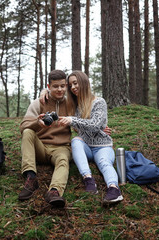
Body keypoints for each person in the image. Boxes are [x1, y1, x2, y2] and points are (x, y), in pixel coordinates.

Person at [57, 70, 123, 204]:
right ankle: (89, 180)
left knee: (105, 163)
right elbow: (56, 96)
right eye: (70, 85)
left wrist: (73, 120)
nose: (73, 87)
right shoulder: (74, 105)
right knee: (76, 140)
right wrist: (43, 94)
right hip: (85, 146)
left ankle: (114, 189)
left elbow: (94, 125)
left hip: (102, 146)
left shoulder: (99, 102)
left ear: (84, 82)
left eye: (75, 83)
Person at [18, 69, 71, 208]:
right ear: (48, 87)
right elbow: (23, 126)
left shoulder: (71, 103)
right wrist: (37, 123)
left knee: (63, 160)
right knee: (28, 132)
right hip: (40, 147)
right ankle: (31, 178)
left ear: (66, 85)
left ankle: (54, 192)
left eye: (62, 86)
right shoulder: (38, 103)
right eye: (55, 86)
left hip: (61, 148)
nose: (59, 89)